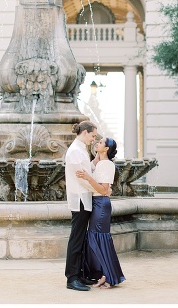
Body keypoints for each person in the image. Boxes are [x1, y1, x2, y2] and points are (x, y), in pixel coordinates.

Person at [64, 120, 110, 291]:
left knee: (81, 239)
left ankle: (80, 274)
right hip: (80, 200)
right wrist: (102, 190)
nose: (93, 139)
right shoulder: (75, 151)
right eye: (92, 136)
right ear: (84, 133)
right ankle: (72, 278)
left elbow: (87, 172)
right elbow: (82, 179)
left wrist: (95, 162)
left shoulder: (80, 149)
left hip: (85, 199)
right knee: (76, 239)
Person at [76, 137, 126, 288]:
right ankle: (108, 275)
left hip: (101, 205)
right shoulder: (101, 163)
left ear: (106, 149)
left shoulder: (107, 165)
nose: (97, 143)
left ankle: (110, 277)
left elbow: (104, 190)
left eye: (101, 143)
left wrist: (88, 178)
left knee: (97, 239)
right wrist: (95, 162)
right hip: (98, 204)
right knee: (96, 240)